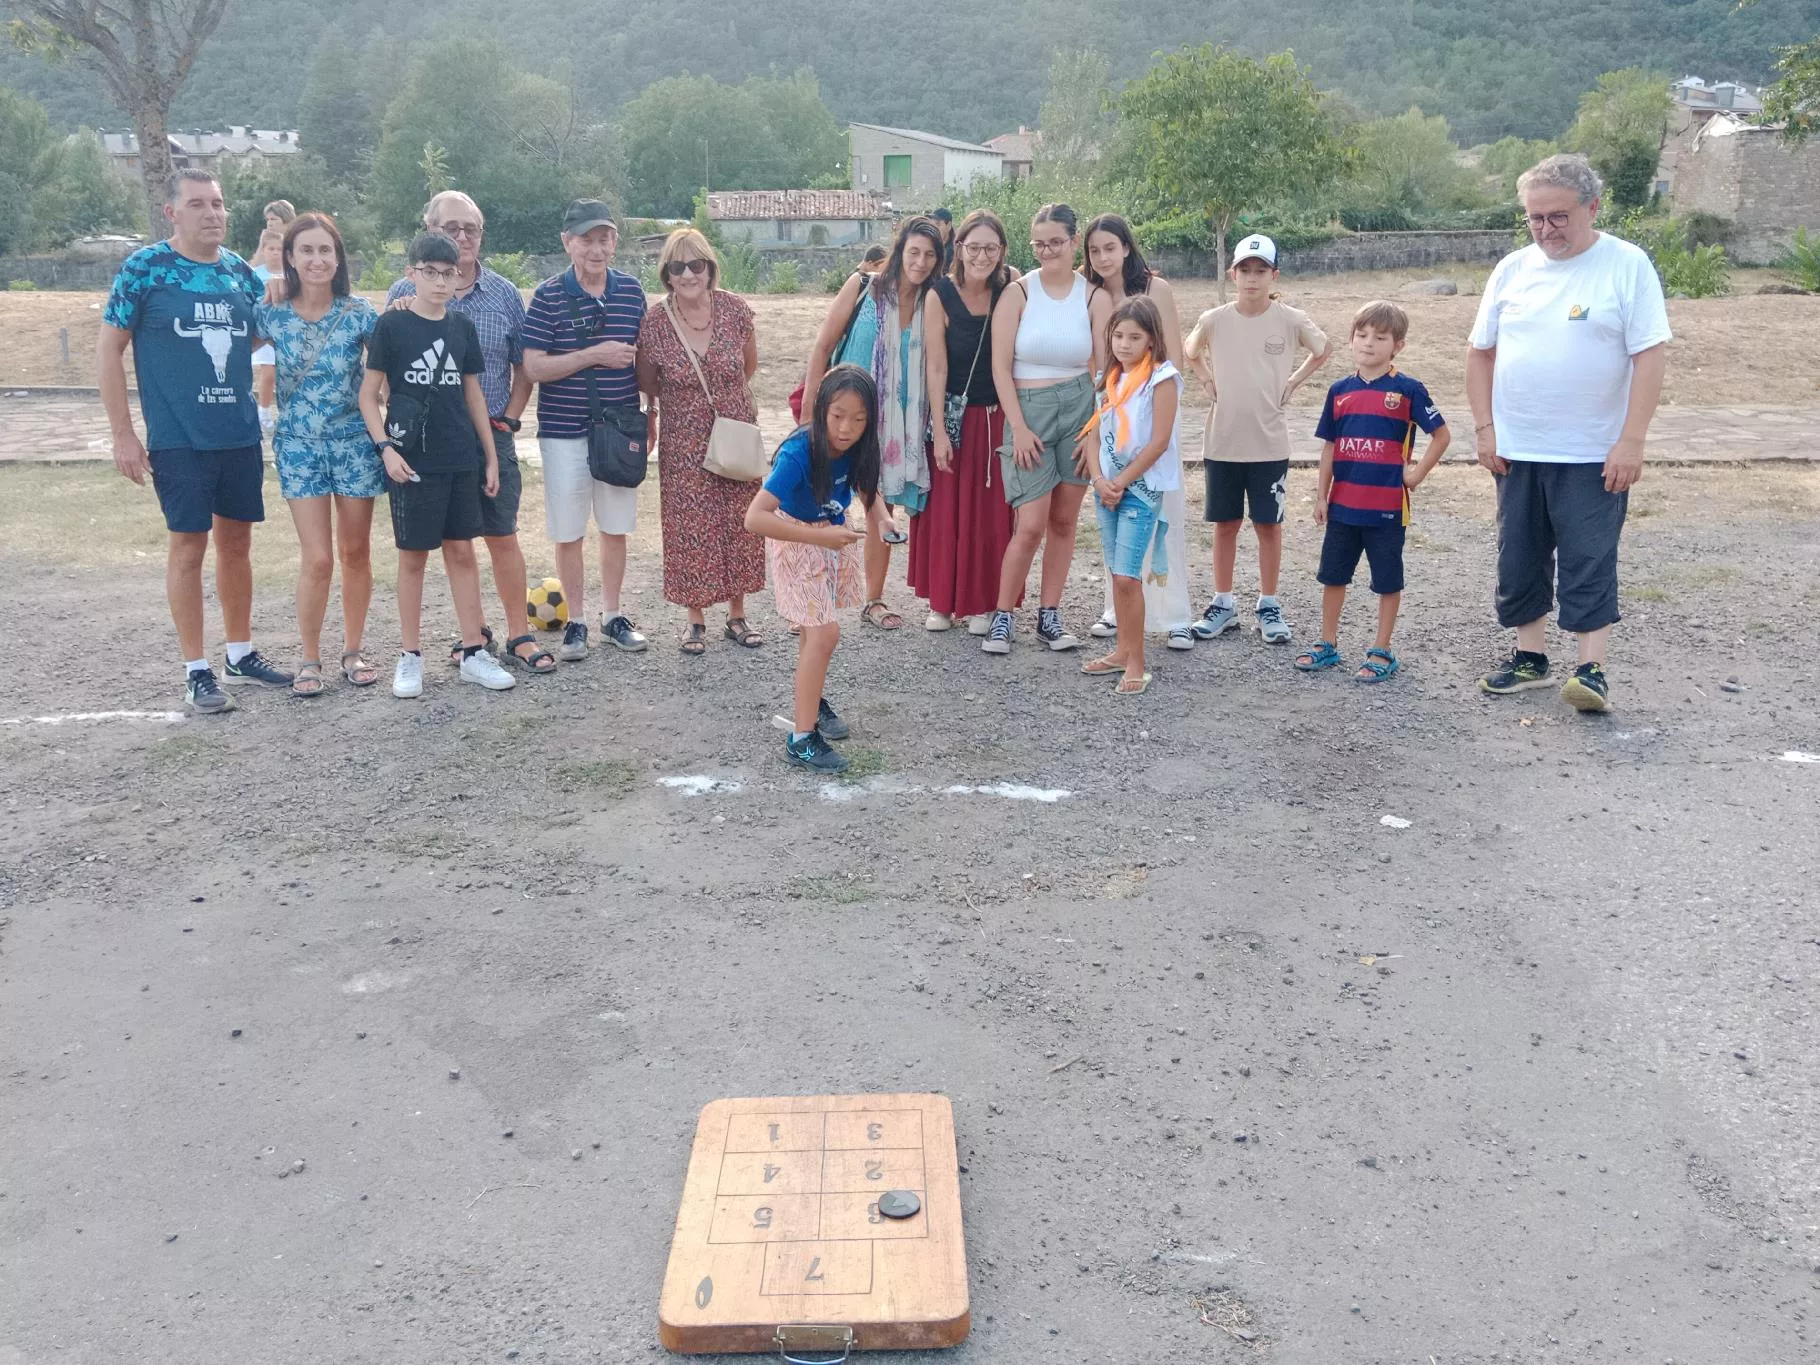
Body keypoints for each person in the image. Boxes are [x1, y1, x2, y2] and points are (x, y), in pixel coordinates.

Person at [1467, 153, 1670, 713]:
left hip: (1592, 450)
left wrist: (1632, 440)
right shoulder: (1512, 269)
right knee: (1519, 556)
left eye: (1557, 216)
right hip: (1518, 446)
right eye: (1535, 218)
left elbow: (1649, 356)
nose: (1545, 229)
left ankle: (1590, 670)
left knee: (1589, 556)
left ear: (1592, 207)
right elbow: (1480, 353)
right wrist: (1485, 429)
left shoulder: (1626, 265)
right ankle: (1529, 660)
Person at [97, 168, 293, 713]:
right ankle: (196, 670)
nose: (213, 213)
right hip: (178, 437)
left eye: (219, 203)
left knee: (238, 544)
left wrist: (284, 295)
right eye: (199, 204)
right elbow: (109, 349)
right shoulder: (145, 269)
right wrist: (123, 435)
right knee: (189, 545)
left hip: (238, 432)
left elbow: (261, 334)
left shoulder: (239, 274)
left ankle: (239, 654)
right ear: (172, 212)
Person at [388, 190, 550, 675]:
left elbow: (524, 364)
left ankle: (520, 634)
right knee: (454, 543)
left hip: (489, 433)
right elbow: (386, 371)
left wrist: (510, 419)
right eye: (451, 228)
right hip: (430, 443)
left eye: (471, 229)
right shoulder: (402, 294)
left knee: (501, 534)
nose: (462, 237)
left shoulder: (504, 293)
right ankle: (474, 635)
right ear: (429, 229)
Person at [358, 231, 514, 698]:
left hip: (459, 455)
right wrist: (386, 449)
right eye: (431, 272)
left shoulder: (461, 327)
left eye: (449, 273)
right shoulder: (392, 326)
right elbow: (368, 395)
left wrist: (490, 455)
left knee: (462, 552)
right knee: (413, 559)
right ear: (412, 273)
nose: (441, 282)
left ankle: (473, 651)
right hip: (411, 460)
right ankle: (410, 656)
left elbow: (473, 394)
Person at [253, 213, 382, 696]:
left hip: (354, 444)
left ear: (338, 257)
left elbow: (391, 359)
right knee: (319, 558)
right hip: (299, 447)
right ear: (289, 257)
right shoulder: (272, 312)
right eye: (306, 250)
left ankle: (353, 649)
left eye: (325, 250)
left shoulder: (359, 313)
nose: (316, 259)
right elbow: (230, 350)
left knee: (355, 552)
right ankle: (309, 657)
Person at [1184, 233, 1331, 645]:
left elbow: (1323, 349)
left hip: (1269, 444)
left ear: (1273, 275)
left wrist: (1294, 381)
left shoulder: (1291, 319)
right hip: (1223, 442)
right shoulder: (1214, 319)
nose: (1252, 278)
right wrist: (1205, 379)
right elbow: (1190, 349)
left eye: (1260, 270)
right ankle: (1223, 603)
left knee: (1268, 525)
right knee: (1225, 524)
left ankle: (1268, 604)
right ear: (1233, 275)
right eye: (1245, 270)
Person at [979, 202, 1110, 655]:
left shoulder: (1094, 298)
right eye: (1039, 244)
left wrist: (1094, 430)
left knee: (1064, 520)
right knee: (1030, 523)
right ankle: (1002, 615)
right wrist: (1018, 426)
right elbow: (1000, 367)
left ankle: (1049, 615)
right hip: (1028, 410)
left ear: (1074, 241)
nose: (1048, 251)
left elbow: (1105, 372)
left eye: (1056, 242)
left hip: (1079, 409)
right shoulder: (1018, 293)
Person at [802, 215, 943, 631]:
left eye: (930, 255)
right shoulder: (864, 286)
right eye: (914, 251)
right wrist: (809, 410)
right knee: (824, 502)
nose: (920, 262)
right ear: (900, 250)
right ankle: (809, 601)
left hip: (899, 425)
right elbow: (823, 346)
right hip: (844, 417)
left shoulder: (934, 302)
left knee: (881, 506)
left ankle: (873, 599)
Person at [522, 200, 650, 659]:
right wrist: (595, 354)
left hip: (618, 429)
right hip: (563, 431)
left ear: (615, 242)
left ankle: (612, 615)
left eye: (604, 239)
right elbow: (534, 366)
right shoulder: (547, 296)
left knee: (615, 527)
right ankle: (575, 621)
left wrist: (651, 415)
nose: (596, 249)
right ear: (567, 243)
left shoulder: (632, 292)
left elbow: (646, 359)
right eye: (586, 240)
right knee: (569, 531)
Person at [1300, 301, 1450, 682]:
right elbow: (1330, 447)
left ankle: (1381, 649)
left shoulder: (1408, 390)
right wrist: (1321, 496)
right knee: (1333, 576)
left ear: (1397, 345)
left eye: (1380, 337)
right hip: (1343, 508)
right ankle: (1327, 643)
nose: (1369, 343)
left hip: (1387, 510)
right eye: (1362, 335)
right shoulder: (1339, 391)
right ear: (1351, 339)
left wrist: (1416, 475)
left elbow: (1442, 435)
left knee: (1387, 579)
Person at [637, 228, 768, 654]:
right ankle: (695, 619)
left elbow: (747, 366)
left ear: (710, 269)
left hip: (734, 429)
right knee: (690, 527)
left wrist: (724, 405)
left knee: (739, 521)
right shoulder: (655, 322)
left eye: (696, 265)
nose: (688, 274)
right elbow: (647, 381)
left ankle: (737, 614)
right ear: (667, 275)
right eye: (678, 267)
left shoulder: (735, 310)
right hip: (683, 439)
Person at [744, 366, 881, 773]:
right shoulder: (798, 452)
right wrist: (818, 538)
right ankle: (801, 741)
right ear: (821, 409)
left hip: (829, 534)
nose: (846, 428)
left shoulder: (858, 446)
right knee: (824, 632)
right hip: (797, 540)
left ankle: (811, 699)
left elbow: (866, 488)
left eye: (858, 419)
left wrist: (884, 519)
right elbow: (755, 518)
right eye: (837, 416)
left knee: (814, 629)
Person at [1082, 213, 1195, 651]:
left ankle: (1175, 613)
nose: (1103, 257)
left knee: (1164, 518)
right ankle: (1117, 609)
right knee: (1114, 518)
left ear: (1126, 247)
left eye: (1110, 247)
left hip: (1152, 415)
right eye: (1094, 250)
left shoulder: (1155, 289)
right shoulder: (1088, 292)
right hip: (1110, 414)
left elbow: (1173, 358)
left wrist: (1151, 414)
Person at [912, 209, 1017, 633]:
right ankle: (942, 601)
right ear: (959, 248)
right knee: (946, 514)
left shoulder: (1011, 288)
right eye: (974, 247)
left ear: (1002, 251)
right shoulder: (939, 294)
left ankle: (985, 603)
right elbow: (936, 366)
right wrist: (939, 430)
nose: (982, 256)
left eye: (991, 248)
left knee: (990, 516)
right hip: (954, 418)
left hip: (996, 418)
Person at [1080, 297, 1183, 695]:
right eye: (1118, 335)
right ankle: (1122, 651)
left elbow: (1159, 441)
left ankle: (1137, 661)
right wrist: (1097, 479)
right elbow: (1092, 433)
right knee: (1117, 573)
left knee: (1127, 576)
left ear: (1151, 339)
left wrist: (1121, 481)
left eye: (1134, 337)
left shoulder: (1162, 379)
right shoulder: (1107, 379)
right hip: (1106, 488)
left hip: (1138, 489)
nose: (1124, 344)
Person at [251, 227, 284, 434]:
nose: (275, 253)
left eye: (279, 249)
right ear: (263, 250)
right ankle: (263, 412)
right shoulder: (255, 274)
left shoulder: (292, 273)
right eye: (271, 249)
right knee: (269, 372)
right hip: (264, 331)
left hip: (284, 332)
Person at [931, 206, 955, 271]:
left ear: (949, 226)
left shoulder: (955, 251)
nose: (934, 228)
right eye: (932, 225)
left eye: (938, 224)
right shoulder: (930, 245)